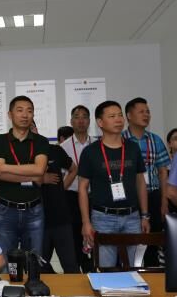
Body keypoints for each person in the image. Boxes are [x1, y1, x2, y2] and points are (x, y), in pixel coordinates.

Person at [78, 101, 150, 269]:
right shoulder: (90, 152)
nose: (118, 119)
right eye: (112, 116)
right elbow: (82, 188)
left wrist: (145, 215)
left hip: (132, 217)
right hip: (103, 217)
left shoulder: (132, 148)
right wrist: (86, 222)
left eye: (120, 115)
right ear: (100, 122)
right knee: (106, 270)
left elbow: (140, 182)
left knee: (135, 268)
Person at [0, 96, 49, 256]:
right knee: (5, 260)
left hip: (34, 210)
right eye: (20, 110)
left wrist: (5, 167)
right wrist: (31, 175)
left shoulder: (41, 141)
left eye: (29, 111)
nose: (25, 115)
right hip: (6, 210)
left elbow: (39, 170)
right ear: (10, 114)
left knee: (34, 259)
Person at [123, 97, 171, 266]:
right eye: (141, 112)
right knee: (128, 241)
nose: (146, 115)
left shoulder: (155, 140)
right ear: (129, 115)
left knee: (152, 240)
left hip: (153, 196)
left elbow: (163, 172)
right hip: (128, 198)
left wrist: (164, 201)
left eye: (148, 112)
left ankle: (152, 273)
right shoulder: (120, 140)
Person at [60, 105, 94, 271]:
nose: (81, 120)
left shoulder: (97, 144)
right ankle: (79, 269)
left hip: (94, 197)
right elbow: (60, 179)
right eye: (77, 117)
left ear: (89, 121)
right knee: (75, 236)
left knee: (95, 235)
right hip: (71, 198)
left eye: (84, 117)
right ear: (71, 121)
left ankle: (92, 268)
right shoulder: (63, 147)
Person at [40, 126, 79, 273]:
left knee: (70, 265)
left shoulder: (54, 150)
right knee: (39, 266)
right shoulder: (22, 155)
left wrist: (63, 187)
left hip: (60, 216)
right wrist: (40, 179)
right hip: (37, 219)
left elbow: (74, 169)